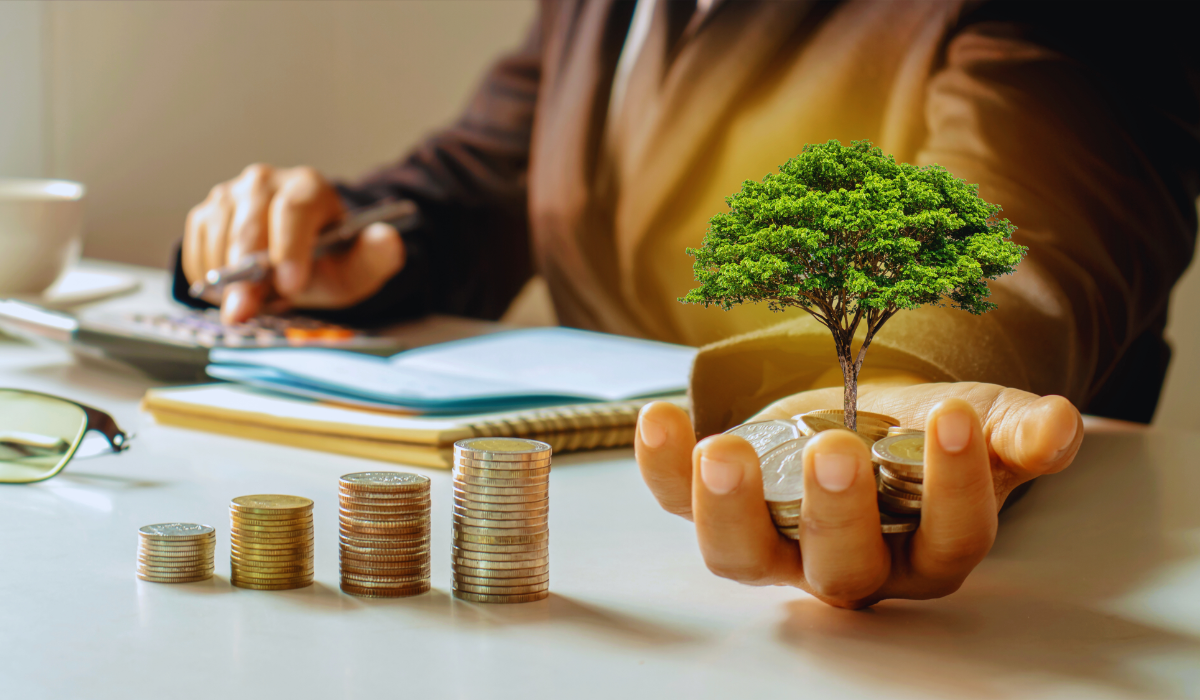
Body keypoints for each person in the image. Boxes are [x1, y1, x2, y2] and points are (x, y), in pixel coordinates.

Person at [175, 0, 1200, 608]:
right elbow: (495, 175)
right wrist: (353, 238)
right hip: (612, 566)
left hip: (1027, 603)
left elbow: (1045, 200)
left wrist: (888, 377)